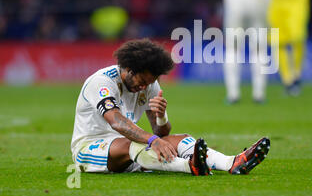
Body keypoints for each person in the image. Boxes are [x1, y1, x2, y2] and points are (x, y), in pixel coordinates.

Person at [71, 38, 270, 175]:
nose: (144, 87)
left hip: (127, 150)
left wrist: (161, 116)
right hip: (89, 150)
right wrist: (152, 140)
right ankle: (188, 166)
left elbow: (160, 132)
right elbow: (116, 121)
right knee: (139, 143)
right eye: (142, 81)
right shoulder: (102, 82)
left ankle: (232, 162)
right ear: (129, 70)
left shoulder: (148, 84)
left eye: (149, 83)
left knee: (180, 139)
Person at [221, 0, 272, 104]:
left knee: (232, 50)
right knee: (259, 51)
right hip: (258, 7)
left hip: (236, 7)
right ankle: (259, 94)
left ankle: (233, 94)